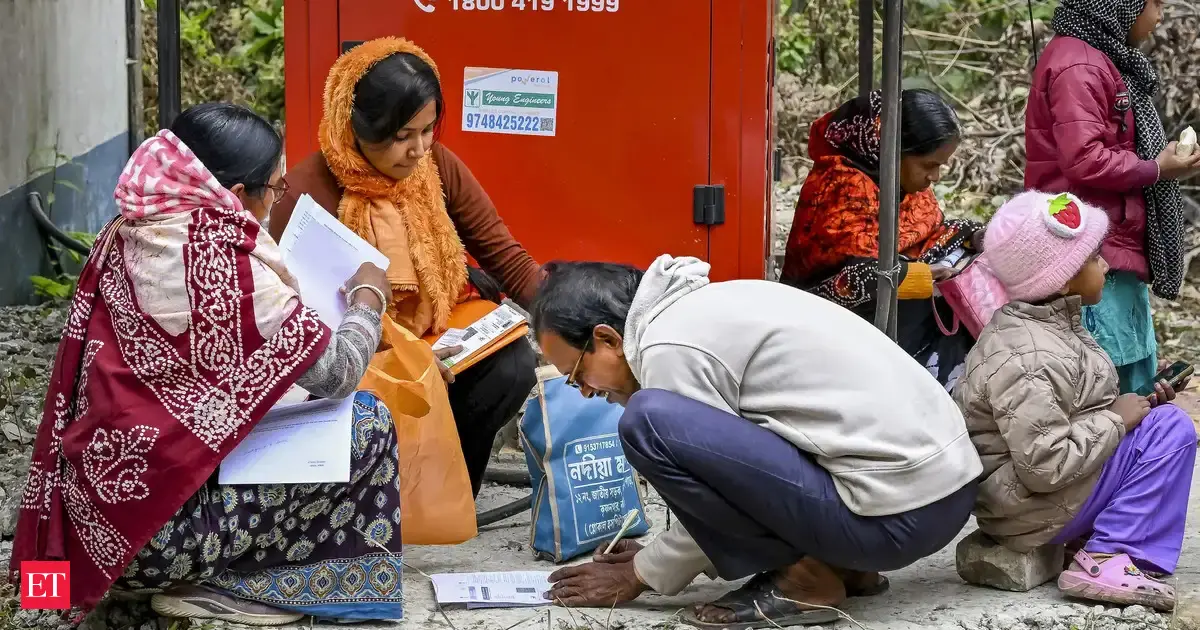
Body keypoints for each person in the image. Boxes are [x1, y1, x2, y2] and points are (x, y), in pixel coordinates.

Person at [9, 103, 404, 624]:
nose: (277, 199)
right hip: (158, 542)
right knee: (368, 425)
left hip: (96, 525)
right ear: (237, 194)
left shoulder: (128, 230)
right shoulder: (224, 268)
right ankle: (242, 584)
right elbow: (339, 372)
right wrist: (368, 299)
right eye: (275, 188)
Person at [529, 256, 982, 627]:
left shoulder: (667, 350)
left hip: (895, 520)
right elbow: (744, 469)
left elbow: (720, 484)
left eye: (576, 375)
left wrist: (641, 573)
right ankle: (843, 565)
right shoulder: (706, 306)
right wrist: (663, 553)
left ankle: (805, 580)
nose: (584, 391)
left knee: (647, 423)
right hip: (945, 497)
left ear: (607, 339)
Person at [271, 37, 539, 495]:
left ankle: (448, 495)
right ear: (356, 126)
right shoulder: (304, 195)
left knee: (512, 365)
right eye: (401, 136)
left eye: (428, 130)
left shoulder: (434, 165)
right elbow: (303, 332)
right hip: (358, 353)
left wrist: (568, 317)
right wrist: (403, 359)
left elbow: (505, 257)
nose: (418, 149)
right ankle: (377, 498)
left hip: (433, 332)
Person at [957, 190, 1196, 611]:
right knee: (1171, 430)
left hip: (1029, 502)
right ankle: (1108, 556)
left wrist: (1134, 405)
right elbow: (1045, 465)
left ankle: (1096, 538)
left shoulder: (1049, 326)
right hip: (1029, 510)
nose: (1106, 265)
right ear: (1063, 278)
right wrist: (1117, 421)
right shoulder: (1030, 355)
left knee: (1155, 421)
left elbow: (1073, 411)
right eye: (1095, 257)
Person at [1025, 0, 1200, 393]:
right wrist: (1156, 169)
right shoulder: (1079, 64)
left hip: (1113, 244)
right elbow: (1083, 158)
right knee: (1107, 382)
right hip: (1090, 250)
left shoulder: (1099, 56)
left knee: (1134, 374)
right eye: (1155, 3)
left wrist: (1160, 164)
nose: (1159, 16)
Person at [781, 88, 983, 390]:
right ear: (892, 150)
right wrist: (919, 277)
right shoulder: (841, 188)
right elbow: (852, 278)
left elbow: (928, 234)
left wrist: (973, 235)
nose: (936, 177)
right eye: (929, 165)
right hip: (826, 327)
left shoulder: (903, 186)